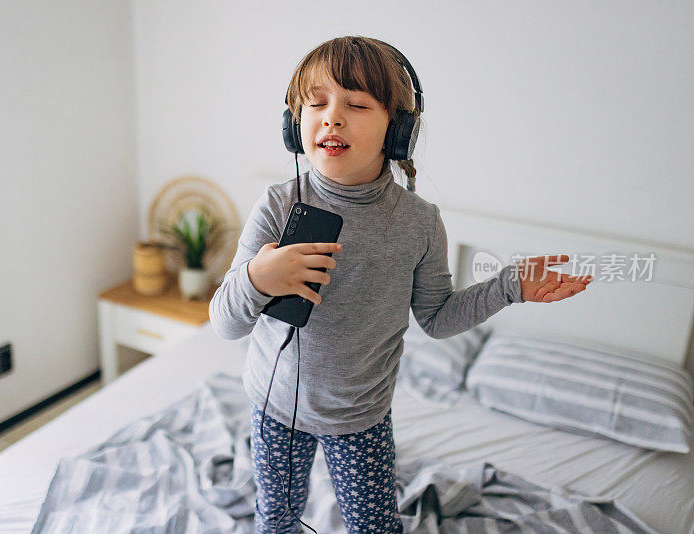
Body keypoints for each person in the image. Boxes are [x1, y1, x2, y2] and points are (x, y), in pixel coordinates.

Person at [208, 35, 592, 534]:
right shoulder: (278, 206)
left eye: (357, 104)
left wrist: (509, 286)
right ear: (292, 122)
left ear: (399, 131)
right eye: (316, 103)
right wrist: (259, 278)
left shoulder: (419, 224)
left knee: (376, 527)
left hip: (360, 417)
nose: (332, 117)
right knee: (276, 519)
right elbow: (223, 322)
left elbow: (436, 318)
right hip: (273, 405)